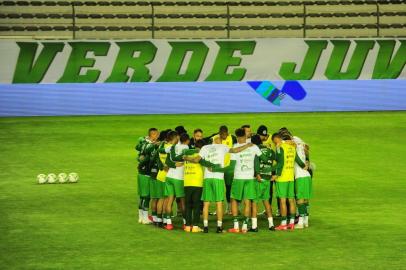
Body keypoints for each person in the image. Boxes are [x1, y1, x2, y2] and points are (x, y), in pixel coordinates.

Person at [184, 135, 252, 233]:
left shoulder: (204, 147)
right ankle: (219, 227)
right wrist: (247, 146)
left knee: (206, 203)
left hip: (207, 178)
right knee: (219, 202)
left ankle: (206, 227)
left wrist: (186, 157)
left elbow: (196, 160)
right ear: (218, 140)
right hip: (218, 178)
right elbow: (236, 150)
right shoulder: (223, 147)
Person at [227, 128, 267, 233]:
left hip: (238, 177)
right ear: (245, 135)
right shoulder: (253, 147)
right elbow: (264, 158)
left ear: (236, 136)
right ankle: (245, 226)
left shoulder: (234, 147)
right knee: (247, 201)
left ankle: (236, 226)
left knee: (234, 200)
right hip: (250, 178)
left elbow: (232, 166)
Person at [272, 133, 306, 230]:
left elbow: (280, 163)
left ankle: (283, 223)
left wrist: (276, 175)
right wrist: (305, 166)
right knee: (291, 200)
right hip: (291, 177)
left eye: (275, 142)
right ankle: (291, 222)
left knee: (282, 201)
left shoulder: (280, 147)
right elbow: (298, 161)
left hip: (282, 178)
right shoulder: (292, 147)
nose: (275, 144)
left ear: (278, 139)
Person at [182, 139, 217, 233]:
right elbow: (206, 163)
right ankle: (195, 226)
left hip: (187, 182)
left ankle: (188, 226)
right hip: (197, 183)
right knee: (196, 205)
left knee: (188, 205)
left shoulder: (188, 153)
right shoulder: (201, 155)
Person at [163, 133, 190, 230]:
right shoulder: (186, 147)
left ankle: (169, 224)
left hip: (169, 176)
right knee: (182, 201)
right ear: (187, 140)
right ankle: (185, 223)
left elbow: (167, 160)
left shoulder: (173, 147)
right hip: (179, 178)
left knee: (170, 201)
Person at [251, 134, 276, 231]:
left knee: (254, 202)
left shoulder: (256, 151)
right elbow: (278, 160)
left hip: (259, 179)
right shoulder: (269, 150)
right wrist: (274, 173)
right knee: (266, 202)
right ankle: (271, 225)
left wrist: (257, 174)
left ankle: (254, 226)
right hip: (268, 179)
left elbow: (256, 163)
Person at [135, 128, 159, 225]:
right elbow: (148, 159)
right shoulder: (151, 146)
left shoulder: (143, 144)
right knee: (147, 197)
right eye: (156, 134)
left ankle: (141, 217)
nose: (158, 136)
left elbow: (138, 153)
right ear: (152, 135)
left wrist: (139, 162)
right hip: (147, 173)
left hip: (141, 173)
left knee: (142, 196)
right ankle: (145, 218)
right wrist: (140, 164)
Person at [211, 125, 237, 214]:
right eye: (221, 134)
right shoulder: (214, 138)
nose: (223, 136)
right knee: (218, 188)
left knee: (229, 188)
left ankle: (229, 208)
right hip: (218, 168)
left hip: (229, 168)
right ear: (219, 133)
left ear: (227, 132)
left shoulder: (232, 138)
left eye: (225, 134)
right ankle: (218, 208)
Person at [293, 136, 312, 229]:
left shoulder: (294, 148)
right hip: (307, 176)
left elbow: (296, 158)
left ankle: (300, 223)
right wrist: (306, 164)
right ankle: (306, 221)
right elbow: (307, 159)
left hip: (300, 176)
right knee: (305, 199)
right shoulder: (303, 148)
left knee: (300, 199)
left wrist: (302, 165)